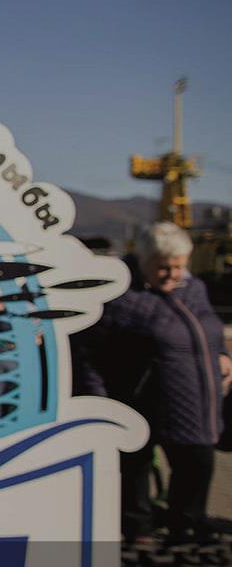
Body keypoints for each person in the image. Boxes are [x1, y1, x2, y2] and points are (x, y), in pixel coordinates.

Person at [72, 221, 232, 547]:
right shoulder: (118, 295)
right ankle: (137, 528)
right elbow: (87, 351)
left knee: (197, 460)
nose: (172, 274)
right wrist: (97, 398)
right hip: (139, 396)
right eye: (163, 267)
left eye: (179, 266)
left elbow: (209, 328)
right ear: (142, 260)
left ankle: (186, 522)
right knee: (135, 466)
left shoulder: (193, 288)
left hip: (193, 395)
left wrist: (222, 354)